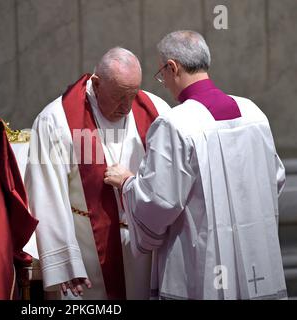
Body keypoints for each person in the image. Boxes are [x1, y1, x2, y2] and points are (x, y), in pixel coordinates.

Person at [104, 30, 287, 300]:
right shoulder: (253, 113)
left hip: (202, 263)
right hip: (256, 255)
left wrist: (128, 183)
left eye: (161, 74)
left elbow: (159, 202)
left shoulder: (175, 124)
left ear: (172, 67)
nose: (163, 83)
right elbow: (276, 179)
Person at [24, 47, 170, 299]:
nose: (127, 107)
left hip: (146, 250)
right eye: (119, 97)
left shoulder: (156, 110)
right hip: (87, 253)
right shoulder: (55, 120)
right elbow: (45, 192)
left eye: (132, 95)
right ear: (97, 83)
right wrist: (65, 262)